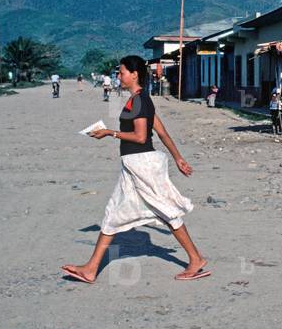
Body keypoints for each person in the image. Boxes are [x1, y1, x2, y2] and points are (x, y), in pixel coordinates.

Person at [61, 55, 209, 283]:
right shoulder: (140, 100)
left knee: (166, 210)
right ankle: (90, 269)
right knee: (113, 212)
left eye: (121, 73)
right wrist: (178, 158)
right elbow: (161, 132)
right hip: (133, 165)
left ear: (134, 74)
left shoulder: (139, 100)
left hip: (143, 164)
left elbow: (140, 137)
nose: (118, 76)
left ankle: (196, 259)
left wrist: (110, 133)